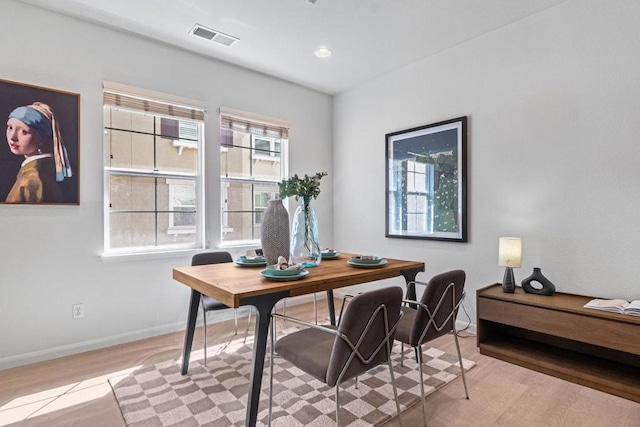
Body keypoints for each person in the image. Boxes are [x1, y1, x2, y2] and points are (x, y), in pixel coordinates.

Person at [5, 102, 72, 203]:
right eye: (10, 127)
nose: (12, 137)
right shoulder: (42, 167)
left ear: (41, 138)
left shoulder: (33, 177)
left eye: (23, 131)